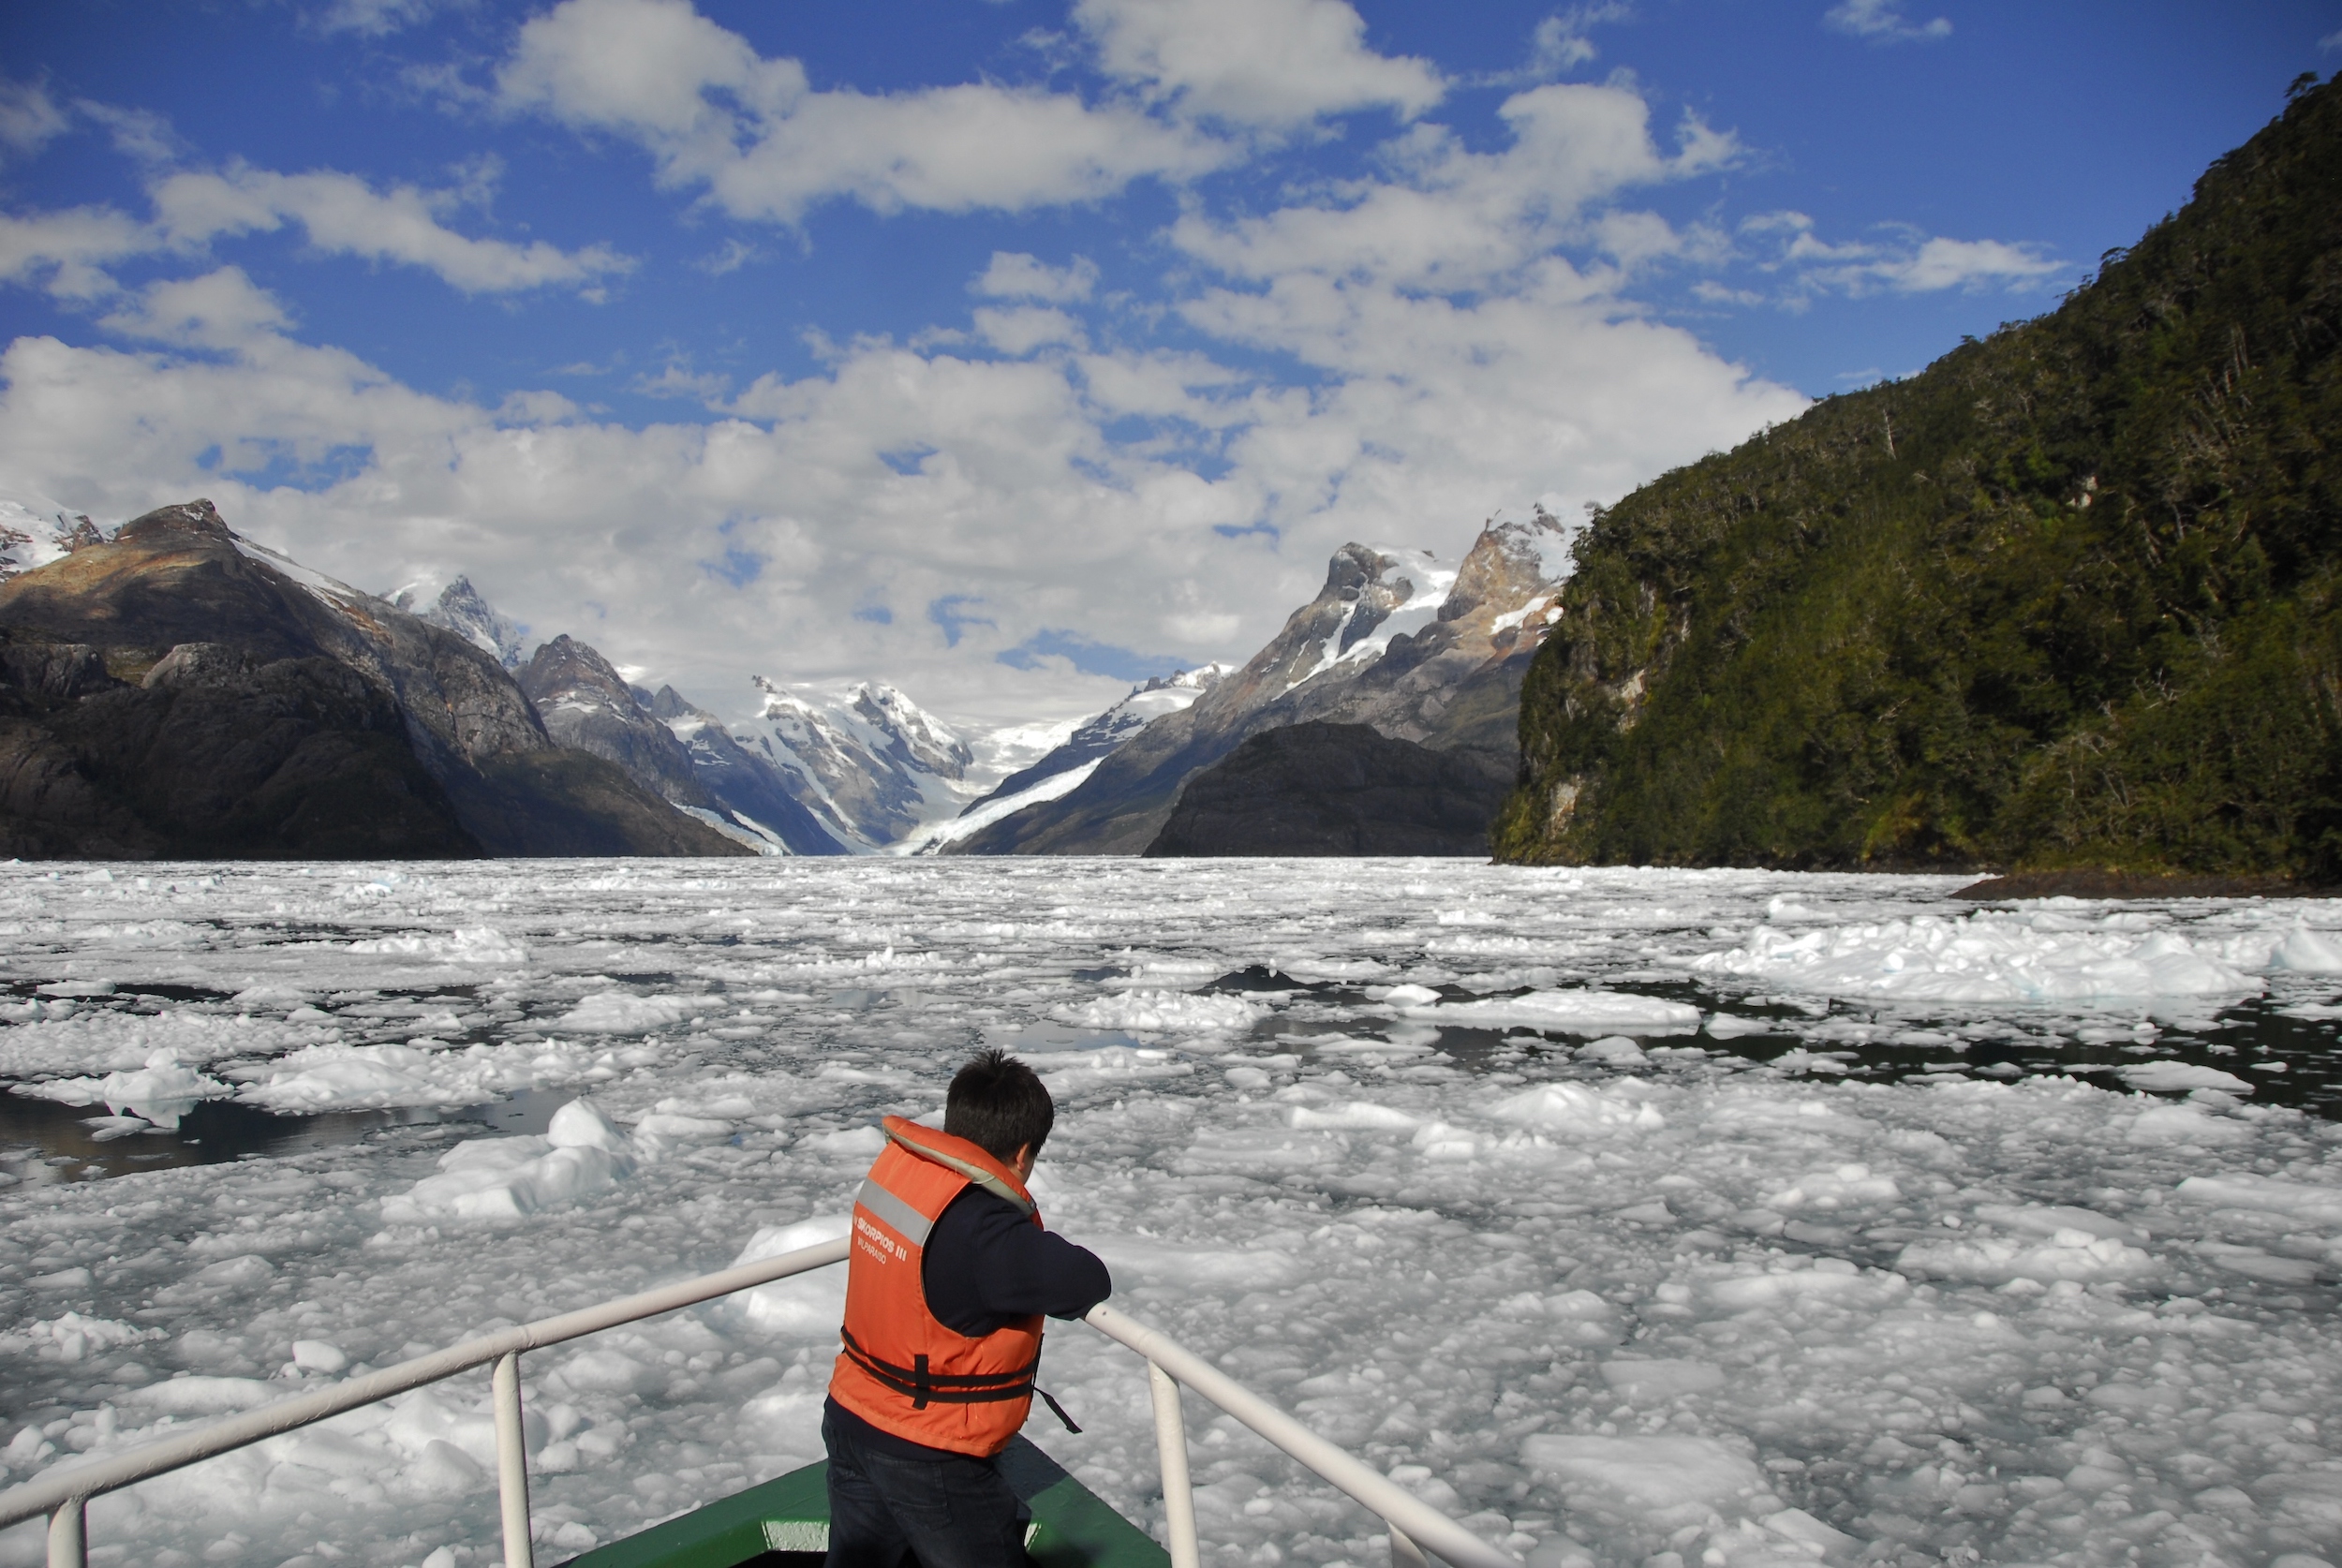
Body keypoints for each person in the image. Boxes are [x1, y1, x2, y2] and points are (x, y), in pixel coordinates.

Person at [823, 1048, 1112, 1568]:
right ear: (1023, 1153)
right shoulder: (984, 1230)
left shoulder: (903, 1176)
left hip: (852, 1412)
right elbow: (1085, 1280)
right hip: (926, 1449)